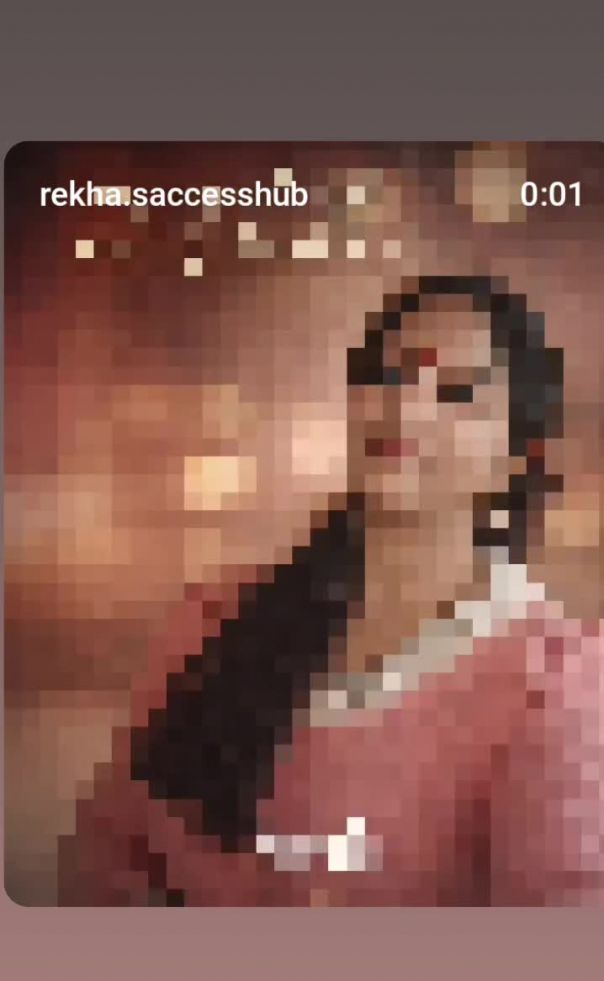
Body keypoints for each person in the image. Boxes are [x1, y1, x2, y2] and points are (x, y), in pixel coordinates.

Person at [59, 276, 603, 906]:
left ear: (518, 458)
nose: (405, 407)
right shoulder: (217, 620)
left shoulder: (553, 682)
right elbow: (109, 856)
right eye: (390, 376)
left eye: (457, 392)